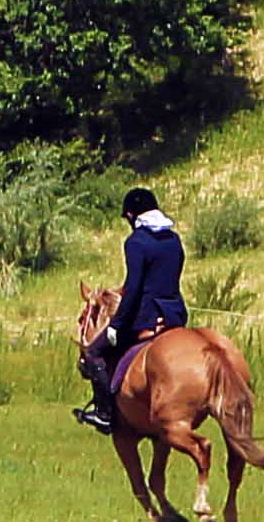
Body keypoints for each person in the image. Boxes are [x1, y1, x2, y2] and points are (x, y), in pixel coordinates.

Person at [75, 185, 190, 432]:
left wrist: (116, 324)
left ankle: (105, 413)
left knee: (94, 352)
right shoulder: (174, 239)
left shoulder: (136, 242)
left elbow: (136, 287)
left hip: (146, 317)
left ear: (131, 215)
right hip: (175, 314)